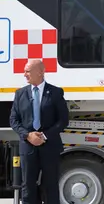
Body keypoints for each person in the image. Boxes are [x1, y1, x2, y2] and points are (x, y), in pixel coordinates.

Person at [9, 59, 70, 204]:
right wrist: (27, 135)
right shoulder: (20, 94)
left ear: (40, 72)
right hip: (28, 146)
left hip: (49, 146)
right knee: (28, 186)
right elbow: (14, 120)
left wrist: (44, 135)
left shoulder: (55, 92)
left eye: (27, 71)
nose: (24, 74)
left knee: (50, 185)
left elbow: (63, 120)